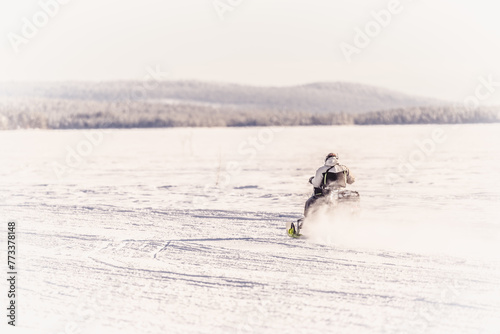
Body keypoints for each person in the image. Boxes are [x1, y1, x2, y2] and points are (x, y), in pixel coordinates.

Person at [303, 152, 355, 218]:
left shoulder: (322, 170)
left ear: (326, 159)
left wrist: (311, 180)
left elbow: (316, 184)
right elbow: (352, 180)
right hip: (342, 192)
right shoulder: (344, 168)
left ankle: (309, 220)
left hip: (327, 193)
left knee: (310, 202)